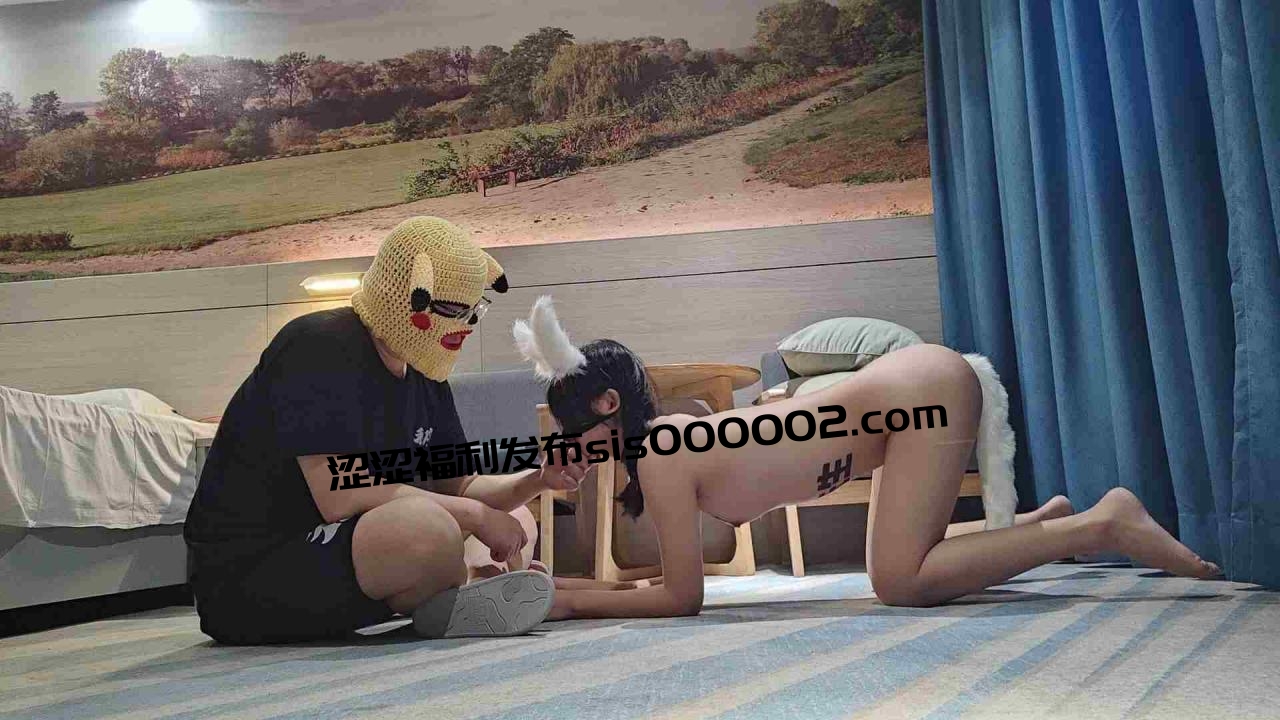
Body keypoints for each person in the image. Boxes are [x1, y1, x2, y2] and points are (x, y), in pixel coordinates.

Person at [510, 297, 1221, 621]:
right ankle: (1043, 524)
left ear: (608, 406)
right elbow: (676, 580)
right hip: (907, 398)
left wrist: (571, 600)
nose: (574, 449)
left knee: (900, 581)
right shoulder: (671, 440)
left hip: (917, 390)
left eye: (575, 433)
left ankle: (1101, 523)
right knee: (903, 561)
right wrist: (573, 587)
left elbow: (681, 600)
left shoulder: (663, 450)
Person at [183, 217, 581, 644]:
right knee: (428, 529)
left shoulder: (425, 371)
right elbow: (340, 496)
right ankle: (466, 582)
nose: (465, 326)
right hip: (252, 570)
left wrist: (537, 479)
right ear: (408, 296)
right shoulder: (317, 345)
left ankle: (468, 589)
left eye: (474, 312)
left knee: (516, 518)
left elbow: (460, 485)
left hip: (349, 553)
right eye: (453, 311)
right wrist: (475, 516)